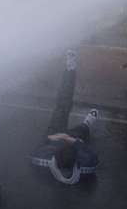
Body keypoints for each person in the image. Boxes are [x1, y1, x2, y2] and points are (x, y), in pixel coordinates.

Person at [30, 50, 99, 184]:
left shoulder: (42, 157)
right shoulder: (87, 163)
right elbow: (90, 155)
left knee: (62, 104)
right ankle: (87, 123)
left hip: (53, 136)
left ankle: (70, 68)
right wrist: (73, 141)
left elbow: (36, 148)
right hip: (71, 138)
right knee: (82, 131)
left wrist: (53, 138)